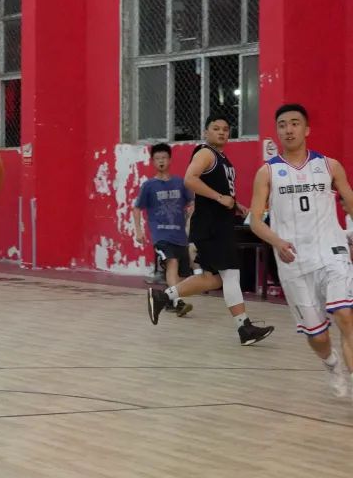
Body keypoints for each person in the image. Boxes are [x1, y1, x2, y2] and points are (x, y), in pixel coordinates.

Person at [249, 104, 353, 401]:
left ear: (306, 129)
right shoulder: (267, 172)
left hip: (331, 251)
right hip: (294, 261)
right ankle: (331, 363)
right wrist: (277, 241)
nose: (289, 129)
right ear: (277, 131)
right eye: (282, 125)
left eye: (295, 123)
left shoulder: (329, 166)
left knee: (345, 315)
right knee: (318, 337)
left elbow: (350, 201)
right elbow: (255, 221)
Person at [147, 114, 274, 345]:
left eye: (225, 129)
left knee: (212, 279)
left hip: (217, 224)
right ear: (206, 132)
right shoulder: (206, 153)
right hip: (212, 226)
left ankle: (163, 297)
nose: (222, 132)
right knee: (231, 273)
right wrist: (219, 197)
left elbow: (221, 191)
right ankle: (244, 328)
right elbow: (189, 179)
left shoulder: (222, 158)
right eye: (216, 128)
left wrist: (235, 204)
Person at [133, 143, 194, 316]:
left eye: (164, 158)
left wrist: (192, 210)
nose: (161, 161)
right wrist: (139, 231)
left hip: (180, 235)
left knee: (182, 275)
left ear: (170, 160)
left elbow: (191, 202)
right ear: (153, 162)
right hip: (161, 236)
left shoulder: (180, 183)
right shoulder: (149, 186)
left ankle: (167, 300)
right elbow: (137, 208)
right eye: (157, 158)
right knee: (172, 263)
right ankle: (178, 302)